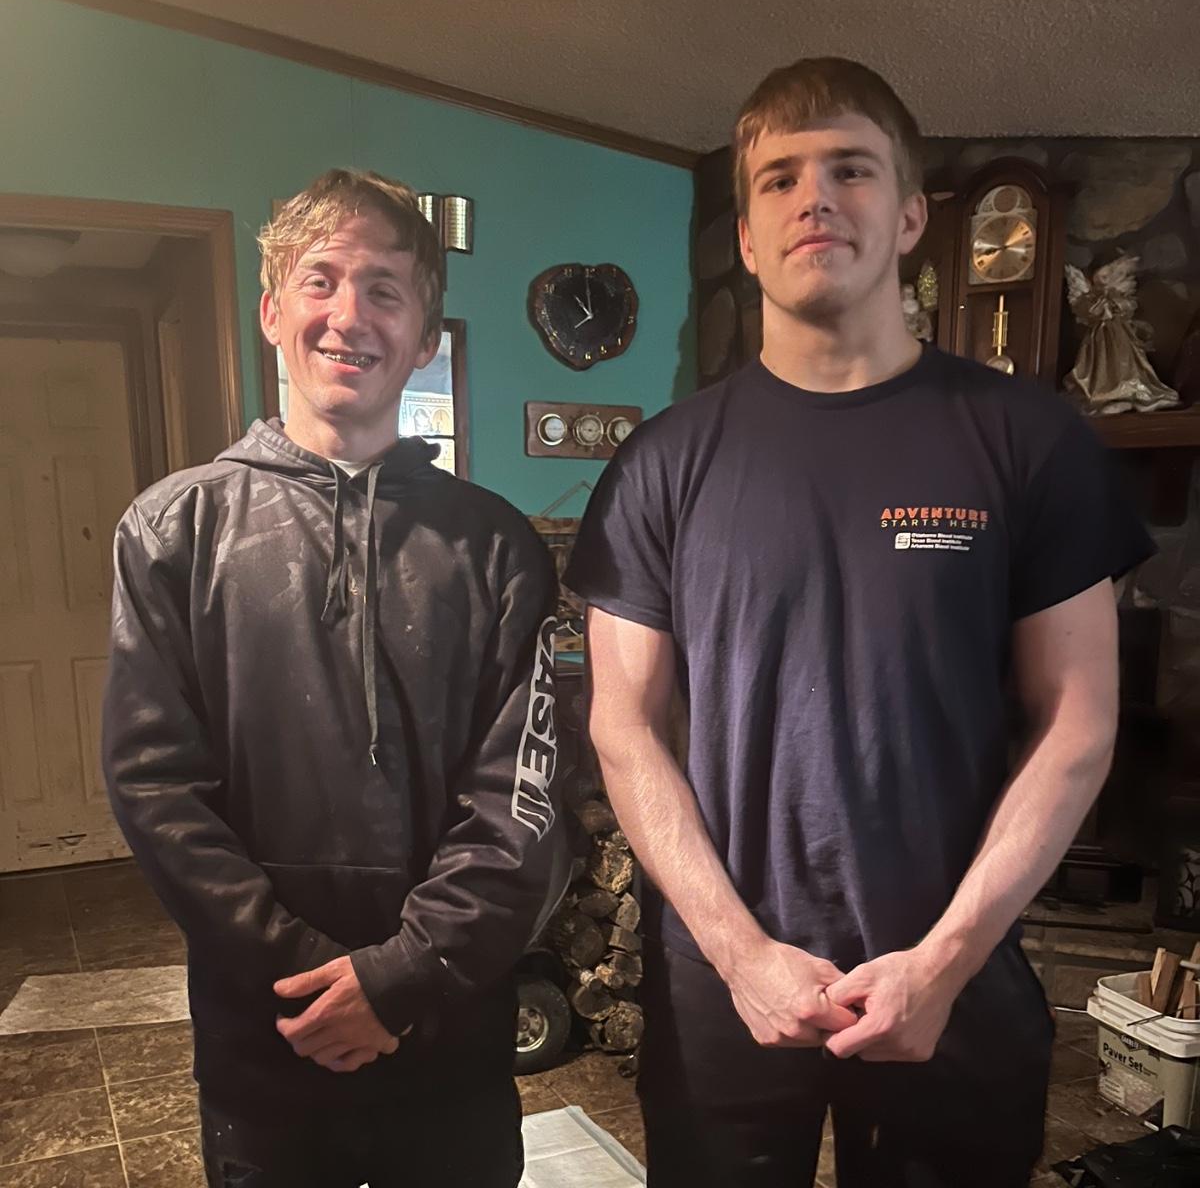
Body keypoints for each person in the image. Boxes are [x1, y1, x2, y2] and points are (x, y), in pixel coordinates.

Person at [565, 58, 1153, 1187]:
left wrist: (944, 961)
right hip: (723, 988)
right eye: (780, 178)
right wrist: (740, 955)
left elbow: (1077, 722)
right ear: (745, 238)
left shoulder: (1029, 442)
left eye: (851, 169)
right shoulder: (660, 465)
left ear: (913, 216)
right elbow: (625, 727)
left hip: (955, 979)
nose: (815, 199)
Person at [103, 168, 566, 1188]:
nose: (348, 315)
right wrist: (308, 976)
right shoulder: (173, 530)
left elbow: (522, 803)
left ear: (426, 337)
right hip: (264, 1039)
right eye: (321, 281)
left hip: (449, 1040)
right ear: (272, 311)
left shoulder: (498, 549)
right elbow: (155, 787)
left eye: (385, 290)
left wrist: (397, 980)